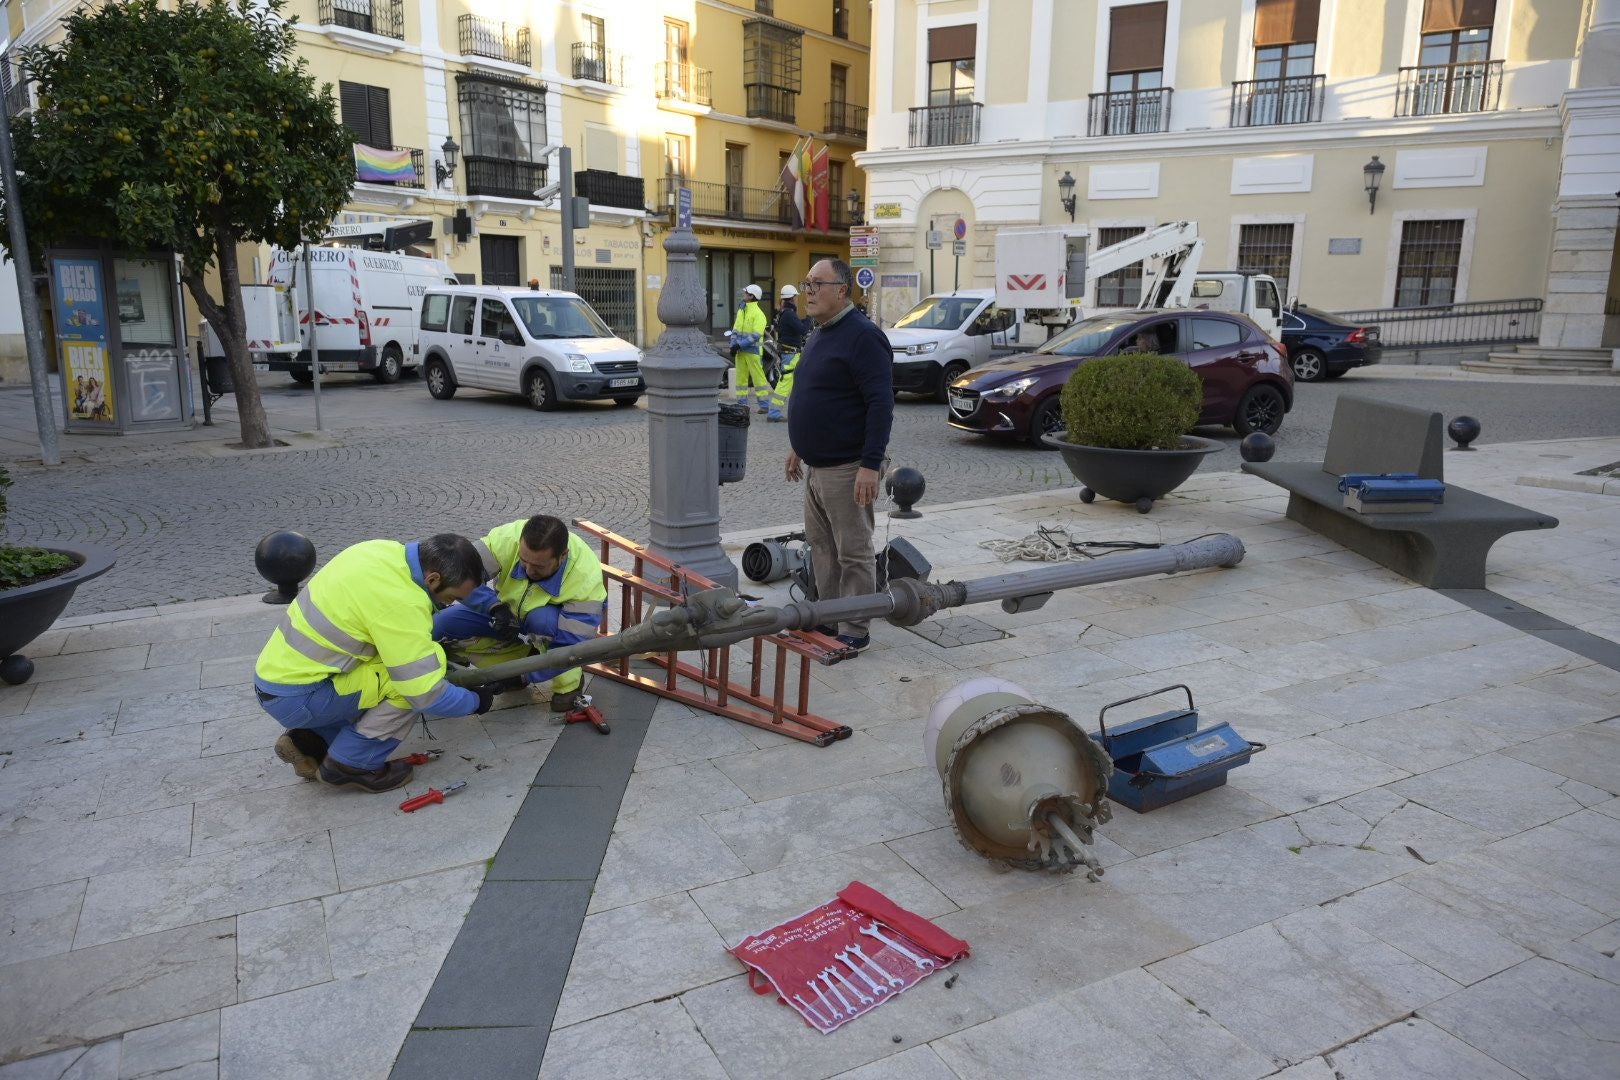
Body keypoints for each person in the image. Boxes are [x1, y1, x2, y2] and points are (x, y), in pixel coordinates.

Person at [254, 533, 496, 793]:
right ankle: (351, 765)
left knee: (390, 668)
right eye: (451, 598)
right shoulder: (402, 602)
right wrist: (475, 701)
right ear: (433, 579)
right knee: (407, 684)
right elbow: (425, 694)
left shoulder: (380, 551)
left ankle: (310, 742)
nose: (449, 604)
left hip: (276, 680)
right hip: (301, 696)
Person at [784, 259, 893, 654]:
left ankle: (856, 627)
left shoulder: (863, 336)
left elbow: (880, 404)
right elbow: (816, 393)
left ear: (842, 290)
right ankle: (829, 618)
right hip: (817, 466)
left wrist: (870, 464)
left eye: (817, 284)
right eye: (806, 283)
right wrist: (799, 445)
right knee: (822, 547)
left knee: (853, 550)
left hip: (849, 467)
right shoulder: (820, 333)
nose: (808, 291)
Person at [433, 514, 607, 710]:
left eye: (539, 566)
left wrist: (524, 674)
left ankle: (568, 686)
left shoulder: (585, 577)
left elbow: (574, 648)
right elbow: (462, 576)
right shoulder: (507, 538)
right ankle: (519, 661)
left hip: (544, 623)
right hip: (505, 611)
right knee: (441, 624)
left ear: (562, 556)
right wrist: (494, 606)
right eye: (524, 561)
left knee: (541, 620)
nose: (529, 570)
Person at [765, 283, 809, 422]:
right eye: (795, 297)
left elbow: (790, 327)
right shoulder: (790, 314)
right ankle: (774, 413)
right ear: (792, 298)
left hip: (787, 352)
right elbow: (802, 330)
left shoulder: (783, 313)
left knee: (796, 382)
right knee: (785, 383)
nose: (796, 299)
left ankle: (800, 409)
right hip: (791, 354)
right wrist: (809, 317)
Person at [731, 283, 770, 413]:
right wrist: (733, 345)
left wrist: (738, 345)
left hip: (753, 351)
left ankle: (764, 405)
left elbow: (755, 335)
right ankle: (742, 405)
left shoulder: (759, 314)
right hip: (741, 351)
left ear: (751, 296)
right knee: (740, 379)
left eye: (746, 293)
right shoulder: (742, 310)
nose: (744, 295)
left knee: (758, 378)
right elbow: (735, 329)